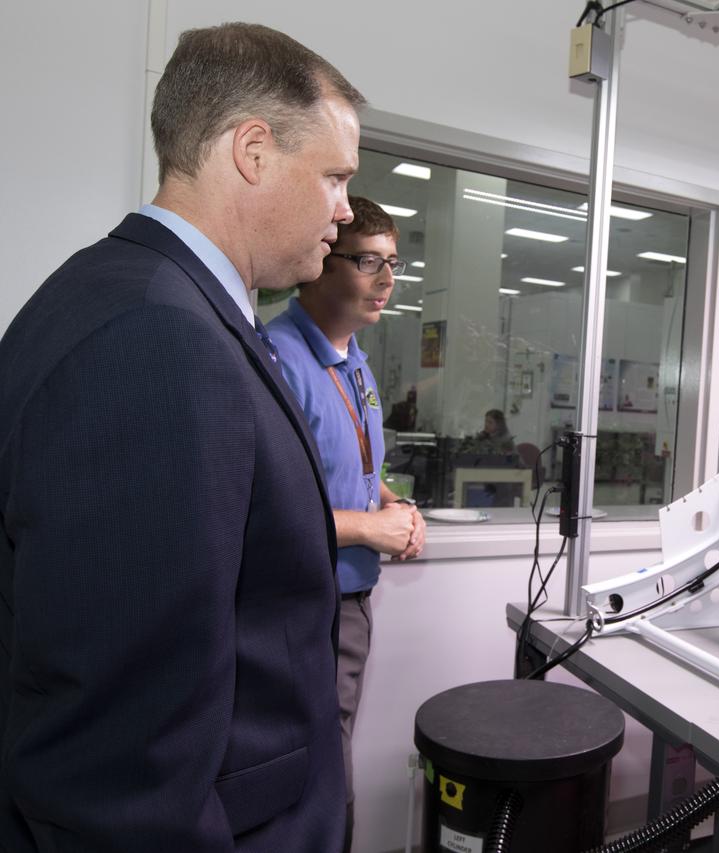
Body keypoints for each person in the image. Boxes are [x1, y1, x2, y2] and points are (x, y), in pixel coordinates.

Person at [0, 23, 363, 853]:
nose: (343, 211)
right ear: (254, 150)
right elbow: (120, 770)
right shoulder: (156, 342)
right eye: (336, 177)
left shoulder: (138, 297)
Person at [267, 196, 426, 851]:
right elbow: (272, 508)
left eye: (393, 263)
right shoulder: (277, 360)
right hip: (302, 600)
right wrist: (368, 529)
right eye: (369, 262)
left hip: (350, 598)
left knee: (330, 759)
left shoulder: (354, 358)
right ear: (320, 263)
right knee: (316, 771)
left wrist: (387, 502)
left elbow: (347, 465)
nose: (387, 280)